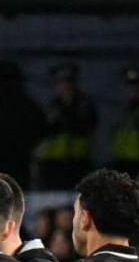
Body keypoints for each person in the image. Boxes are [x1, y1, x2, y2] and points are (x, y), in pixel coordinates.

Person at [34, 64, 98, 192]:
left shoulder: (85, 106)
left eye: (69, 81)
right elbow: (41, 133)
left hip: (78, 163)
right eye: (61, 82)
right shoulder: (50, 108)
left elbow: (87, 128)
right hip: (53, 165)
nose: (65, 86)